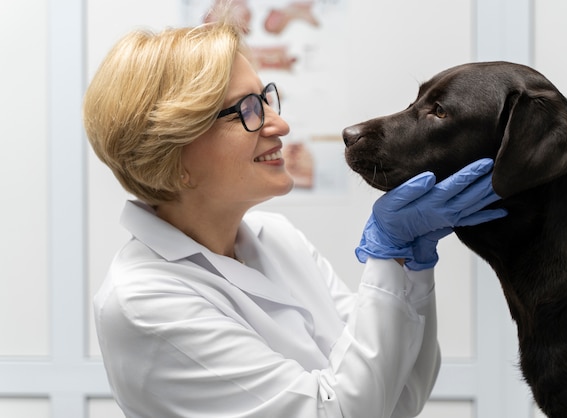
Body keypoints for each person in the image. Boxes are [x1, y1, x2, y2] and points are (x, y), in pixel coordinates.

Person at [83, 8, 506, 418]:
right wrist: (387, 252)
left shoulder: (278, 237)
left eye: (266, 98)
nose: (278, 125)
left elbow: (399, 398)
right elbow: (336, 412)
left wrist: (409, 264)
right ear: (174, 155)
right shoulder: (143, 301)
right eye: (246, 110)